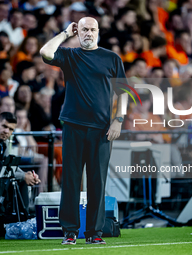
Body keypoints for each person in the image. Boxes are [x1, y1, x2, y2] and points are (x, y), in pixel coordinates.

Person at [40, 17, 127, 245]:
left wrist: (118, 119)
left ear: (98, 31)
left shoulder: (112, 58)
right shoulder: (70, 55)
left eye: (92, 29)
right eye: (84, 29)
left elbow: (124, 91)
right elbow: (46, 52)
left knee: (97, 181)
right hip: (73, 126)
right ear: (78, 32)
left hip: (102, 130)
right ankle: (70, 232)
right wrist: (65, 33)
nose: (88, 33)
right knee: (71, 180)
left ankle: (94, 233)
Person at [0, 112, 40, 213]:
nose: (7, 131)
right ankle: (20, 215)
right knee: (19, 179)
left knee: (21, 179)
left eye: (11, 129)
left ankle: (22, 215)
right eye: (4, 126)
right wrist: (23, 176)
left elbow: (9, 164)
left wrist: (26, 175)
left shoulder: (3, 140)